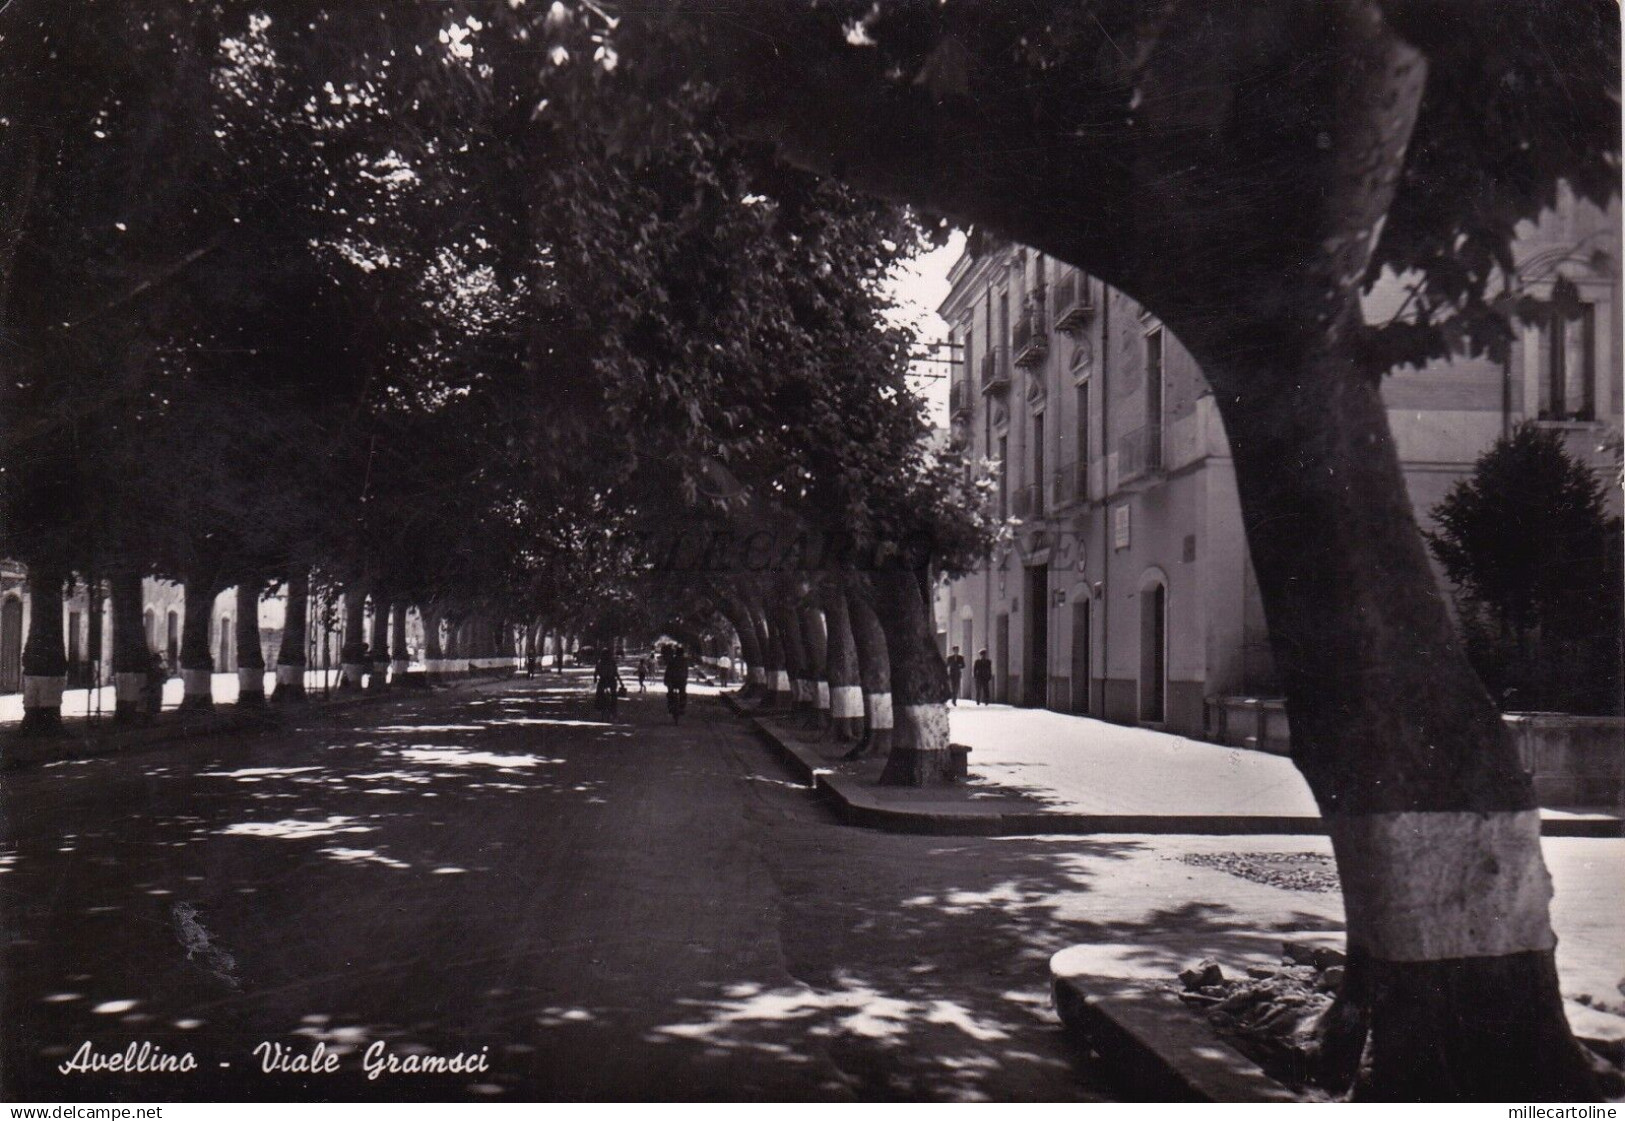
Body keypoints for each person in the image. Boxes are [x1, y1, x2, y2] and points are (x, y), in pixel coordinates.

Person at [594, 649, 622, 718]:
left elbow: (596, 672)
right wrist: (621, 682)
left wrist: (594, 678)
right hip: (610, 680)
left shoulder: (600, 662)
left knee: (600, 694)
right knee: (613, 695)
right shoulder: (612, 662)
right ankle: (613, 711)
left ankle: (600, 708)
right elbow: (616, 673)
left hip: (604, 680)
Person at [664, 646, 689, 724]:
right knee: (683, 693)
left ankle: (670, 705)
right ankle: (682, 706)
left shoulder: (672, 660)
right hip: (681, 681)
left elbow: (667, 671)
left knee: (670, 693)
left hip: (672, 681)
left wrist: (666, 680)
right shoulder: (685, 661)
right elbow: (686, 672)